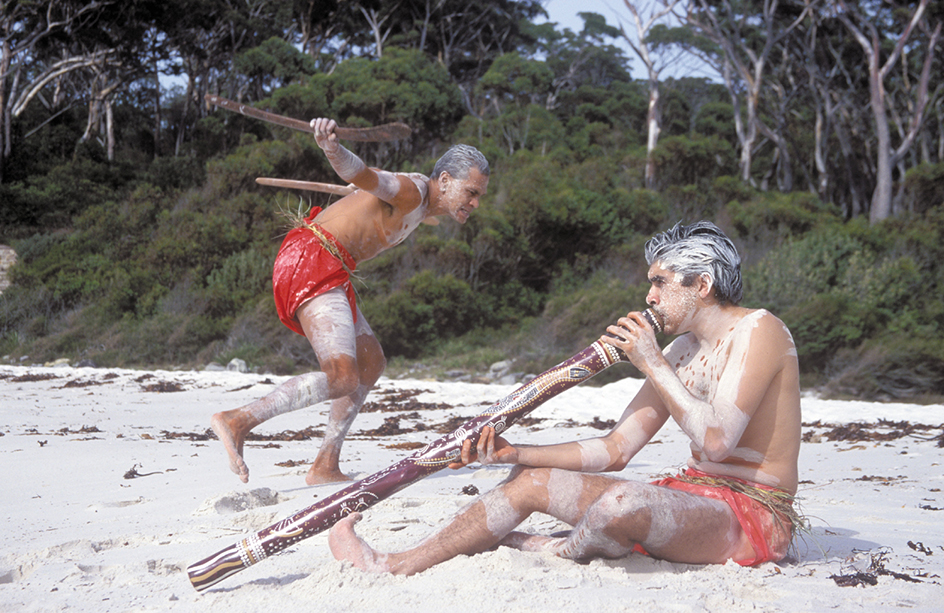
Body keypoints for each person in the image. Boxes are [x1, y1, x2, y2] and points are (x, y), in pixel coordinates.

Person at [328, 220, 802, 572]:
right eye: (650, 283)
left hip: (750, 516)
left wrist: (650, 361)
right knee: (529, 480)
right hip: (691, 497)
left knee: (620, 506)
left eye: (660, 282)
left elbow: (717, 441)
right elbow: (616, 449)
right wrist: (513, 453)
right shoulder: (682, 350)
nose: (650, 296)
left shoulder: (759, 330)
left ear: (702, 284)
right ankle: (397, 563)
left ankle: (553, 547)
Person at [212, 118, 490, 485]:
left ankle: (325, 464)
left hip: (333, 269)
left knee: (370, 362)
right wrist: (332, 149)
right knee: (342, 375)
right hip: (311, 258)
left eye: (479, 196)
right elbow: (367, 176)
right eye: (470, 192)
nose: (474, 203)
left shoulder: (422, 207)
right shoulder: (412, 192)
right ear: (445, 180)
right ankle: (237, 420)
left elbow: (368, 191)